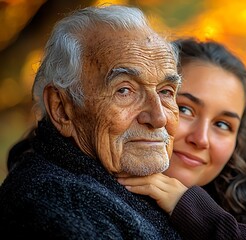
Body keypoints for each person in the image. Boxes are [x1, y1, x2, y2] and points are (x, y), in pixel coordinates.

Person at [0, 5, 183, 239]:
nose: (159, 118)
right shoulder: (58, 204)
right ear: (61, 109)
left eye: (166, 91)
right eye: (124, 90)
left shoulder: (169, 192)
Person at [117, 38, 246, 240]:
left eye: (222, 125)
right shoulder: (98, 199)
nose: (201, 139)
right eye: (185, 109)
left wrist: (199, 215)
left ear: (238, 141)